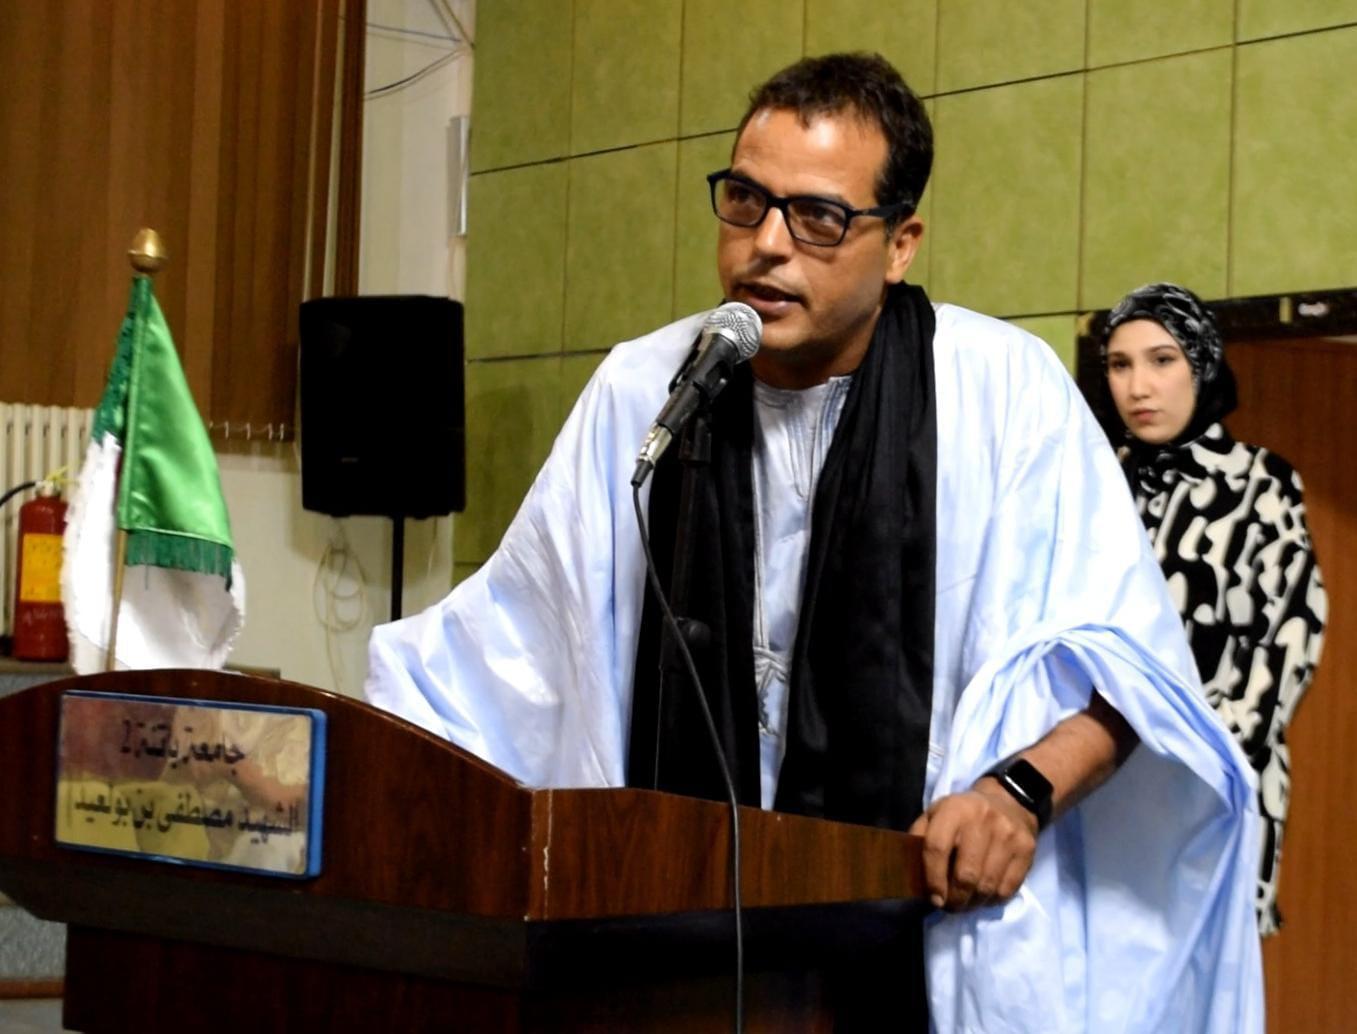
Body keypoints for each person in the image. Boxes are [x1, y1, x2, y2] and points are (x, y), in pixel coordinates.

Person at [367, 54, 1261, 1031]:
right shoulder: (645, 392)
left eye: (818, 217)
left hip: (924, 935)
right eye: (745, 201)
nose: (766, 245)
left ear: (900, 242)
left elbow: (1134, 679)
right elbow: (503, 654)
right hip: (672, 942)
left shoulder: (1002, 392)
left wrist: (1015, 794)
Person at [1103, 281, 1327, 937]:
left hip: (1217, 786)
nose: (1138, 387)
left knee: (1210, 972)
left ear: (1201, 363)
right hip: (1100, 787)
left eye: (1161, 360)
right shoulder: (1097, 481)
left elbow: (1289, 639)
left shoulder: (1260, 483)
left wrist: (1196, 757)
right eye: (1119, 365)